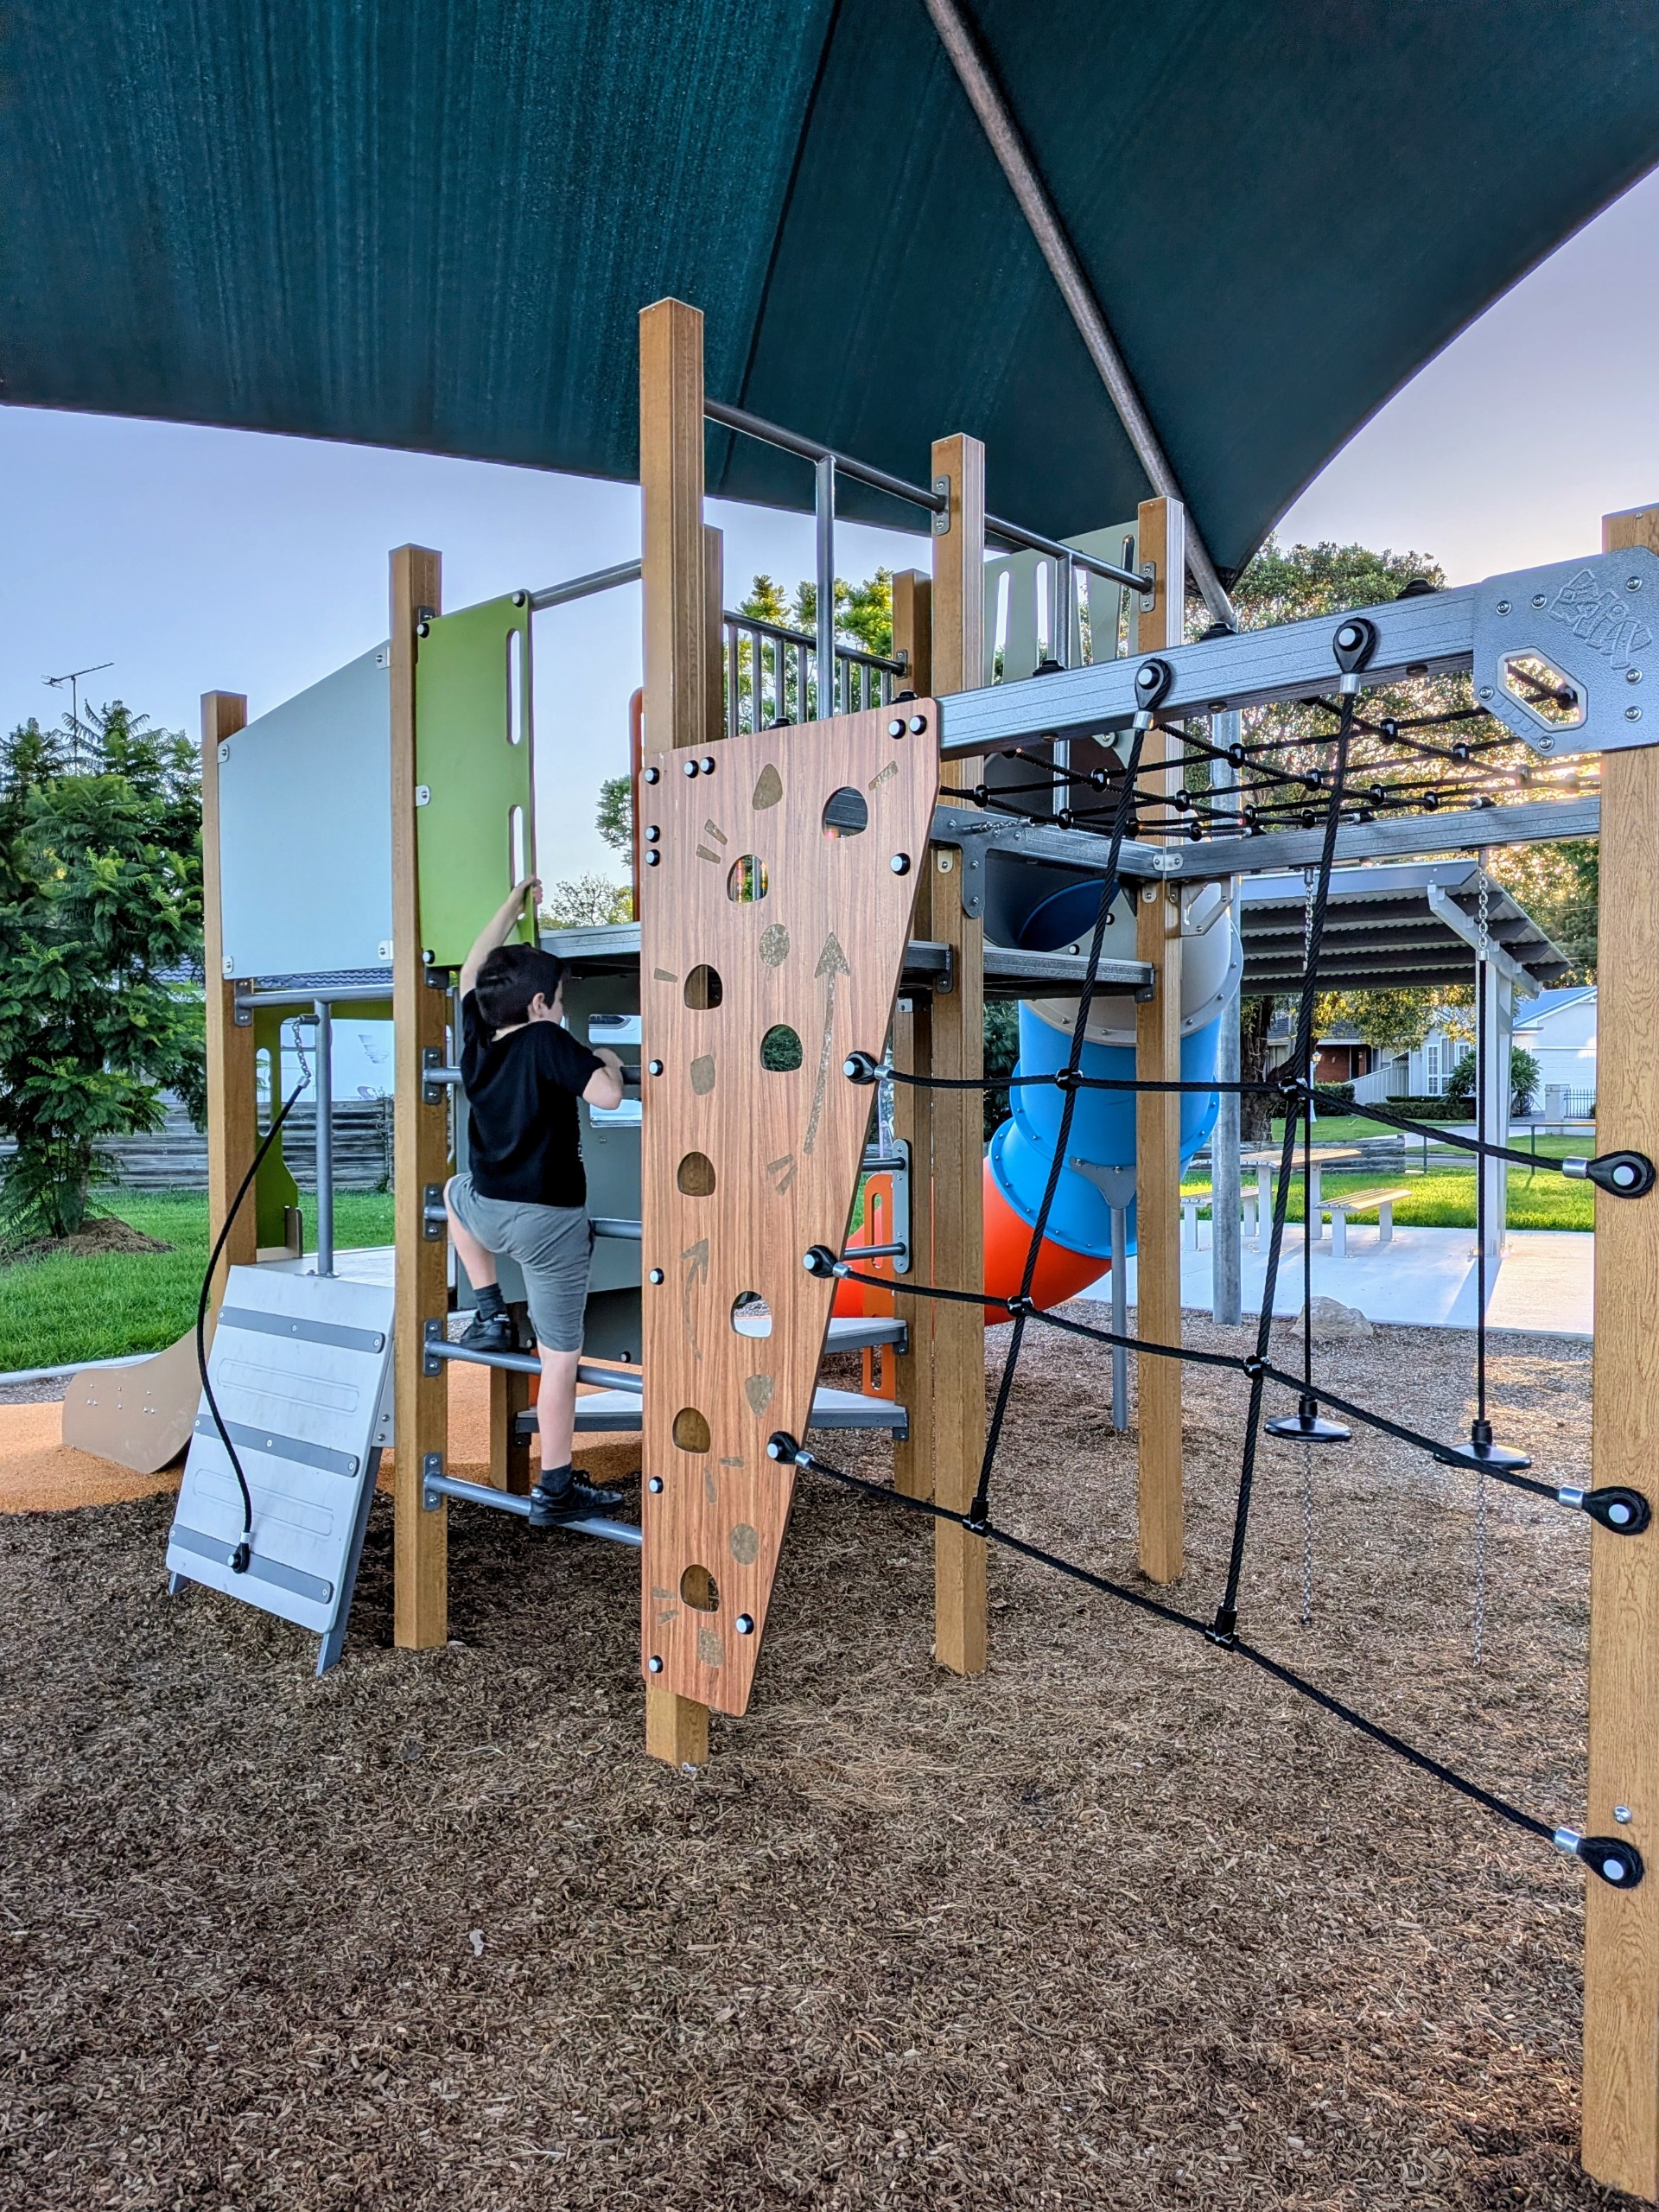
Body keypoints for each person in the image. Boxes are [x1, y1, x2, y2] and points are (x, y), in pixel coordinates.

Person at [443, 876, 628, 1528]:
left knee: (452, 1191)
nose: (562, 1010)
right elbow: (606, 1096)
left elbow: (471, 971)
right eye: (561, 1002)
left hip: (488, 1208)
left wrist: (511, 905)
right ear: (542, 1003)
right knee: (560, 1357)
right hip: (549, 1224)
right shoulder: (547, 1041)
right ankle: (555, 1487)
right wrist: (608, 1059)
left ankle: (490, 1309)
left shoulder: (476, 1038)